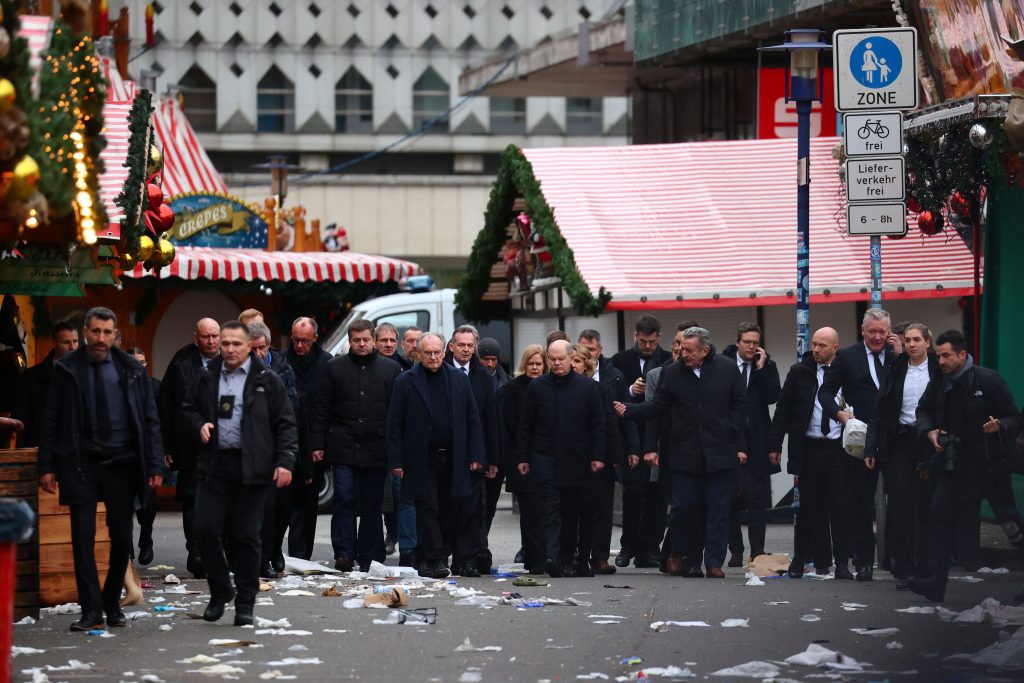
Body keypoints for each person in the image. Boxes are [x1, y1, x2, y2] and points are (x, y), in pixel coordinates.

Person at [38, 307, 164, 632]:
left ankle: (111, 600)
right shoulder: (66, 369)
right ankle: (90, 609)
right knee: (82, 538)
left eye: (108, 333)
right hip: (81, 463)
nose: (101, 339)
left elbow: (150, 420)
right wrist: (47, 466)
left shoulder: (130, 370)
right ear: (85, 331)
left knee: (122, 539)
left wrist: (153, 463)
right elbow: (50, 419)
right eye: (96, 332)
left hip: (122, 464)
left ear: (115, 335)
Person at [185, 320, 297, 625]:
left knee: (248, 537)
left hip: (253, 468)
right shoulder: (207, 377)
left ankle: (246, 602)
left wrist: (285, 461)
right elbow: (188, 409)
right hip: (216, 465)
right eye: (225, 344)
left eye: (236, 344)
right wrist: (199, 424)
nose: (230, 349)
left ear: (249, 346)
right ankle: (221, 589)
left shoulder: (267, 380)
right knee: (205, 531)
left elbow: (286, 423)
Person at [616, 327, 746, 579]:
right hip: (686, 452)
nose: (682, 353)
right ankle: (687, 557)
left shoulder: (727, 368)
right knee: (685, 507)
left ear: (704, 351)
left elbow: (741, 404)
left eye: (689, 350)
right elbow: (657, 406)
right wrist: (629, 410)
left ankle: (713, 562)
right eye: (681, 348)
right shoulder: (673, 372)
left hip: (720, 451)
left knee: (718, 509)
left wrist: (732, 430)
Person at [908, 330, 1022, 602]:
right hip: (955, 463)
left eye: (946, 355)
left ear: (962, 354)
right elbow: (922, 411)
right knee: (938, 516)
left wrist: (999, 426)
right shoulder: (940, 381)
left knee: (1010, 524)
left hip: (989, 463)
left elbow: (1014, 418)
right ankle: (936, 583)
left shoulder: (987, 379)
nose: (942, 361)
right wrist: (929, 431)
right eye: (939, 356)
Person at [387, 332, 485, 580]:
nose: (432, 357)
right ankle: (436, 558)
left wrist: (476, 454)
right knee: (427, 507)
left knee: (450, 508)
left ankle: (427, 555)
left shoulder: (458, 379)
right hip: (421, 457)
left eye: (437, 352)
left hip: (454, 456)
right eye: (427, 353)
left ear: (444, 352)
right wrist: (396, 461)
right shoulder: (406, 381)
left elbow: (472, 418)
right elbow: (394, 424)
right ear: (419, 354)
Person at [309, 319, 402, 572]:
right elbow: (321, 408)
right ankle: (344, 553)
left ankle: (369, 554)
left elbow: (397, 414)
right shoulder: (334, 368)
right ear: (350, 341)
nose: (361, 344)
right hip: (342, 445)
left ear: (373, 340)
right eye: (356, 340)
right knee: (344, 498)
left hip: (376, 445)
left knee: (372, 503)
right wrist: (317, 443)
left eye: (366, 340)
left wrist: (396, 449)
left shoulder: (391, 370)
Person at [818, 308, 903, 582]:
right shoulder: (847, 357)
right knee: (860, 503)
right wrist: (839, 415)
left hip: (896, 438)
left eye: (882, 331)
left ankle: (897, 560)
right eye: (872, 331)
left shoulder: (898, 354)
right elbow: (825, 392)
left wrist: (901, 355)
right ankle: (863, 561)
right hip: (861, 438)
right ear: (862, 330)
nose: (878, 337)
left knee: (902, 501)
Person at [518, 339, 606, 578]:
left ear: (570, 358)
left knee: (570, 511)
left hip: (577, 458)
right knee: (550, 508)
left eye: (561, 359)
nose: (557, 363)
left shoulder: (586, 387)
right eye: (553, 359)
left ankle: (568, 559)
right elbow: (526, 425)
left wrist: (598, 456)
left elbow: (598, 424)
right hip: (544, 456)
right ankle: (551, 556)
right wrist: (523, 457)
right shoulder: (538, 387)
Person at [864, 323, 941, 586]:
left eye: (917, 339)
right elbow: (880, 408)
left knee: (929, 505)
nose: (911, 344)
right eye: (907, 340)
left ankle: (927, 565)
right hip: (899, 442)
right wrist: (871, 445)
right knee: (901, 503)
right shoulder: (896, 369)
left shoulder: (938, 370)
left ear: (927, 342)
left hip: (931, 442)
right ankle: (903, 565)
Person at [768, 327, 848, 579]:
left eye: (822, 345)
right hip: (809, 446)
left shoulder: (846, 371)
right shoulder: (800, 372)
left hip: (838, 448)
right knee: (808, 508)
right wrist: (775, 445)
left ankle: (842, 563)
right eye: (813, 344)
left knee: (839, 505)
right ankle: (801, 559)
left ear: (835, 348)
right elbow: (783, 410)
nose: (815, 349)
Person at [157, 317, 220, 578]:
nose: (211, 341)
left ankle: (216, 552)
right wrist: (165, 445)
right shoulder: (181, 363)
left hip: (222, 446)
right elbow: (167, 406)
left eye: (215, 335)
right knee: (193, 499)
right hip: (189, 444)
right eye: (206, 336)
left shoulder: (230, 360)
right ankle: (195, 553)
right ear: (196, 337)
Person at [612, 315, 672, 568]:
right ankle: (628, 546)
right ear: (635, 336)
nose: (647, 346)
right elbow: (614, 396)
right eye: (643, 341)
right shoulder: (620, 360)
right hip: (632, 434)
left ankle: (649, 547)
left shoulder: (668, 360)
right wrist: (630, 391)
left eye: (652, 341)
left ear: (659, 336)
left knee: (658, 496)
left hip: (658, 436)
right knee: (633, 493)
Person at [577, 330, 636, 575]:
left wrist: (629, 450)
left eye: (591, 351)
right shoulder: (566, 382)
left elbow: (620, 419)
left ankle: (599, 556)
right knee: (580, 507)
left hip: (605, 452)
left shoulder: (613, 378)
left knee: (603, 508)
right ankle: (578, 554)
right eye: (582, 352)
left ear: (599, 351)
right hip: (577, 453)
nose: (587, 357)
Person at [721, 323, 780, 566]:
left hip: (757, 438)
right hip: (729, 437)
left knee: (757, 498)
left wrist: (762, 368)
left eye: (755, 342)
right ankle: (736, 549)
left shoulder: (766, 365)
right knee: (730, 497)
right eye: (747, 342)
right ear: (738, 342)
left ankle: (757, 550)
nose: (751, 346)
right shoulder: (723, 363)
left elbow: (773, 396)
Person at [447, 325, 500, 576]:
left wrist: (491, 458)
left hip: (475, 455)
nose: (466, 349)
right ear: (452, 346)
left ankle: (466, 558)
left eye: (470, 345)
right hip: (445, 453)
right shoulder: (442, 371)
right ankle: (440, 556)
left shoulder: (482, 377)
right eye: (462, 345)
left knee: (472, 509)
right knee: (446, 508)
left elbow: (491, 420)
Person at [248, 321, 299, 577]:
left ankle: (265, 559)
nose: (257, 354)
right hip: (244, 452)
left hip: (270, 451)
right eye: (252, 348)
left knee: (270, 512)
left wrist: (286, 457)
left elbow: (288, 415)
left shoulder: (279, 373)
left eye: (262, 348)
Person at [283, 316, 332, 560]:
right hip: (288, 441)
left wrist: (319, 444)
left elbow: (326, 406)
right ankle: (282, 554)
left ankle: (302, 555)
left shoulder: (326, 363)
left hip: (314, 444)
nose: (299, 346)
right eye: (295, 340)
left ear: (314, 339)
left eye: (304, 341)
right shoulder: (283, 361)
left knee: (309, 503)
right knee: (285, 503)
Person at [498, 344, 547, 573]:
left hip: (545, 457)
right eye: (531, 363)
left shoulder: (549, 387)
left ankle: (545, 556)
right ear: (524, 365)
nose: (535, 368)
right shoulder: (513, 388)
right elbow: (510, 423)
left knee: (545, 512)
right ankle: (533, 558)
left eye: (539, 364)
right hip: (521, 458)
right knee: (529, 514)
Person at [15, 321, 79, 448]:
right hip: (39, 447)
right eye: (66, 342)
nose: (72, 347)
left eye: (76, 341)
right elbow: (21, 420)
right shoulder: (32, 377)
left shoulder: (83, 375)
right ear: (54, 343)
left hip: (73, 451)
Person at [124, 347, 160, 566]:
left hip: (147, 453)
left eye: (143, 362)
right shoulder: (118, 387)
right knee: (123, 503)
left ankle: (146, 539)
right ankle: (126, 547)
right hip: (124, 453)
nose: (139, 366)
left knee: (148, 503)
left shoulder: (155, 387)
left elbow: (160, 422)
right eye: (135, 361)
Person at [476, 336, 510, 550]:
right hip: (479, 451)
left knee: (489, 506)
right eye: (485, 359)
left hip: (499, 453)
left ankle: (481, 545)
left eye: (493, 359)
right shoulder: (475, 379)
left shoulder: (505, 381)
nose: (489, 364)